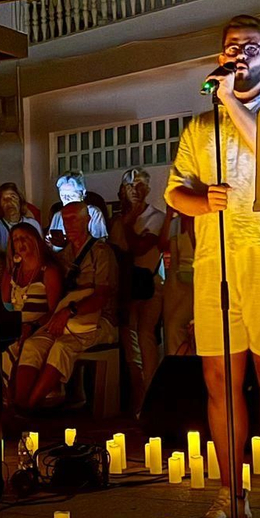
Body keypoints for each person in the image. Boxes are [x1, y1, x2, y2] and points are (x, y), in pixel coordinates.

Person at [166, 14, 260, 518]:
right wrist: (202, 201)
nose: (240, 53)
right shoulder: (199, 125)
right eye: (232, 46)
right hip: (216, 260)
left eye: (251, 47)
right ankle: (231, 495)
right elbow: (175, 191)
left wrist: (229, 99)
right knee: (219, 380)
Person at [11, 202, 118, 410]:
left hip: (99, 321)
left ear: (87, 220)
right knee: (33, 345)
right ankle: (19, 405)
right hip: (65, 318)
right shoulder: (63, 256)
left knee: (62, 347)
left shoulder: (101, 252)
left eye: (74, 219)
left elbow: (102, 296)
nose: (69, 224)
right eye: (65, 219)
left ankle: (30, 407)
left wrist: (70, 312)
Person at [110, 167, 165, 414]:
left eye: (141, 184)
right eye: (130, 185)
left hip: (148, 286)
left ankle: (151, 396)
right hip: (124, 289)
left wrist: (129, 223)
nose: (135, 189)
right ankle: (137, 396)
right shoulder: (117, 220)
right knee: (129, 342)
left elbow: (139, 247)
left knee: (145, 336)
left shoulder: (156, 217)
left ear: (148, 189)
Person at [0, 220, 62, 373]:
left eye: (25, 237)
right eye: (16, 239)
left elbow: (55, 310)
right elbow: (5, 305)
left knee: (28, 349)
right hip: (16, 329)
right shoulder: (11, 272)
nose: (20, 242)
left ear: (35, 240)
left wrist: (32, 326)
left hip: (40, 328)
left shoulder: (48, 271)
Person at [159, 207, 196, 357]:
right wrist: (168, 216)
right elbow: (162, 245)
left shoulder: (200, 222)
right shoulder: (176, 223)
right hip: (176, 279)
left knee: (176, 326)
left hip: (194, 279)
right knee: (170, 327)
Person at [47, 172, 108, 248]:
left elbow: (99, 243)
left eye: (71, 195)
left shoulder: (94, 213)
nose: (66, 199)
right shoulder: (57, 215)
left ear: (82, 193)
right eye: (63, 195)